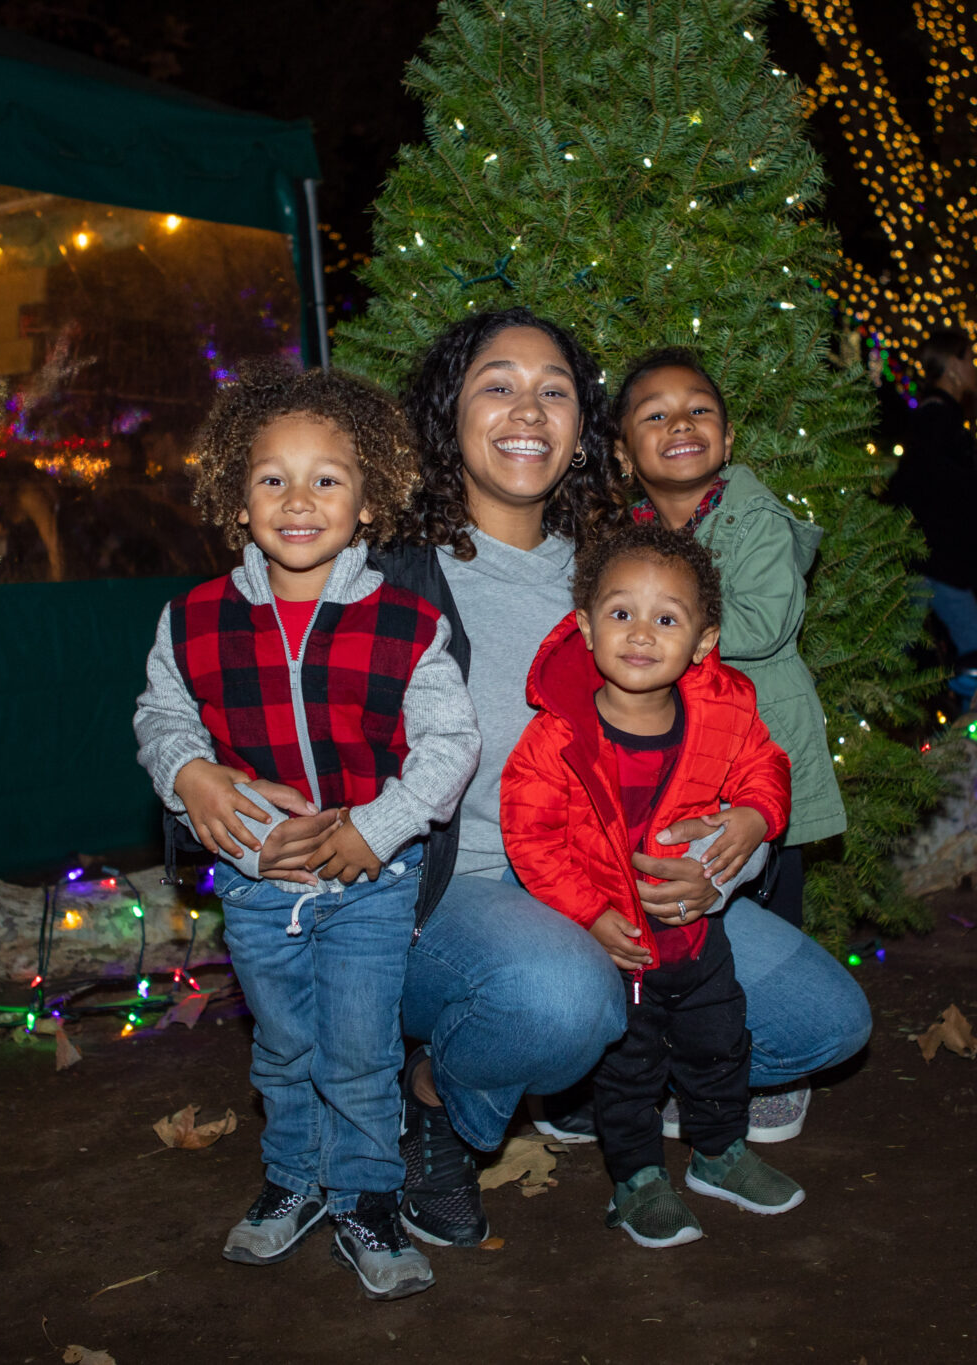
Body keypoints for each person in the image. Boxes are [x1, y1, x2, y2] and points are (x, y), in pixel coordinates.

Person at [172, 308, 870, 1254]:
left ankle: (583, 1072)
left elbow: (714, 727)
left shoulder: (615, 572)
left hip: (621, 882)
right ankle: (439, 1097)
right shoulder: (374, 574)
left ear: (585, 427)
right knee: (560, 998)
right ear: (447, 416)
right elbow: (234, 676)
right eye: (496, 384)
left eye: (555, 390)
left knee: (832, 1022)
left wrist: (732, 844)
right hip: (438, 897)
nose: (527, 409)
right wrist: (191, 773)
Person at [132, 362, 480, 1301]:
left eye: (327, 477)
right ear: (236, 501)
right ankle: (294, 1178)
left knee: (361, 1050)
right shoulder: (194, 618)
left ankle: (365, 1192)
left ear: (367, 501)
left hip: (370, 882)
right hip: (253, 887)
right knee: (282, 1047)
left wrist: (380, 826)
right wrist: (193, 779)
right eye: (271, 478)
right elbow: (161, 721)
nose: (298, 499)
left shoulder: (408, 623)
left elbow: (452, 742)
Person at [502, 522, 806, 1247]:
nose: (641, 634)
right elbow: (532, 839)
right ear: (584, 627)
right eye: (620, 614)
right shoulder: (557, 737)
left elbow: (766, 767)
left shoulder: (724, 711)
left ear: (702, 640)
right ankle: (637, 1177)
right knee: (629, 1070)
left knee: (719, 1046)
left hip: (700, 939)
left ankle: (719, 1150)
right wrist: (592, 914)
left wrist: (755, 818)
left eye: (666, 618)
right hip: (620, 949)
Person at [612, 347, 847, 930]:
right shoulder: (631, 538)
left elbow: (766, 624)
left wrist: (664, 631)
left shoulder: (755, 518)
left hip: (758, 745)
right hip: (684, 748)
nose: (681, 424)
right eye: (656, 416)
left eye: (699, 411)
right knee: (683, 895)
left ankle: (776, 998)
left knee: (765, 893)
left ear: (729, 436)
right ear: (623, 454)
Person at [885, 327, 977, 702]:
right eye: (969, 359)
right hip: (934, 559)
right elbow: (936, 488)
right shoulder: (937, 420)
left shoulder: (937, 417)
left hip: (931, 559)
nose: (976, 369)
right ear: (952, 365)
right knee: (976, 651)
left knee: (900, 653)